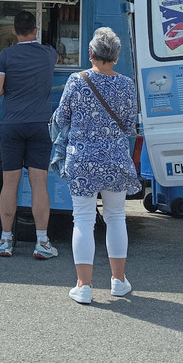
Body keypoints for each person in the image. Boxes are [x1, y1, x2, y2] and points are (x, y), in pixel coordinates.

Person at [53, 26, 140, 304]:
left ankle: (84, 286)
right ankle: (118, 281)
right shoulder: (126, 84)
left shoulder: (76, 81)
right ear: (116, 56)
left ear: (90, 53)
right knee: (116, 217)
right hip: (115, 160)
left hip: (82, 161)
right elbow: (130, 125)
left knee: (83, 219)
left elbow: (61, 118)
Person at [0, 10, 59, 259]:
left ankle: (6, 241)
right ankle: (42, 242)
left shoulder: (5, 56)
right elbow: (57, 60)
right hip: (40, 125)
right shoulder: (49, 54)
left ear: (14, 31)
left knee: (10, 183)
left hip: (12, 125)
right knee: (39, 183)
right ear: (36, 31)